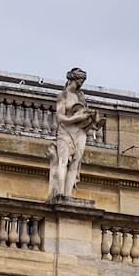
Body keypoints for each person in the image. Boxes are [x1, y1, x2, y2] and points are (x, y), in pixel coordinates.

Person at [48, 67, 104, 200]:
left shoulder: (81, 95)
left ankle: (68, 195)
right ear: (72, 79)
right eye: (79, 81)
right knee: (63, 162)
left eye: (82, 81)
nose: (80, 84)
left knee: (75, 163)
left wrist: (91, 116)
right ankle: (60, 195)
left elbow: (82, 111)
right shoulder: (63, 95)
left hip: (80, 132)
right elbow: (60, 117)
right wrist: (75, 118)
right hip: (65, 131)